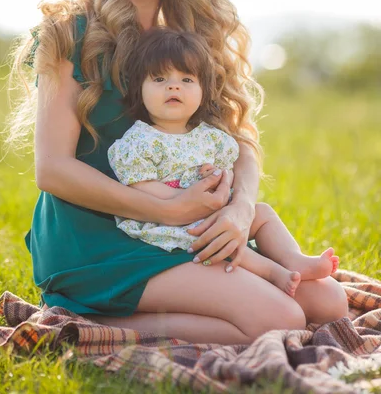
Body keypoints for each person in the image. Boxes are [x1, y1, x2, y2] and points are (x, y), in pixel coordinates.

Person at [7, 0, 348, 345]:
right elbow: (53, 170)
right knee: (282, 319)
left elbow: (240, 142)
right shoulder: (71, 31)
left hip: (182, 226)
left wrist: (238, 212)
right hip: (96, 238)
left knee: (327, 303)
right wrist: (164, 211)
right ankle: (86, 321)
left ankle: (216, 310)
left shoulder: (190, 37)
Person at [107, 27, 339, 299]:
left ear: (203, 91)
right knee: (214, 233)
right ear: (140, 90)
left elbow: (225, 172)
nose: (173, 86)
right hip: (168, 221)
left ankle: (293, 257)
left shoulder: (210, 137)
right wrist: (185, 201)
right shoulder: (139, 140)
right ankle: (270, 272)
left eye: (186, 79)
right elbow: (141, 185)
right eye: (159, 78)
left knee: (261, 212)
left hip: (212, 208)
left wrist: (214, 176)